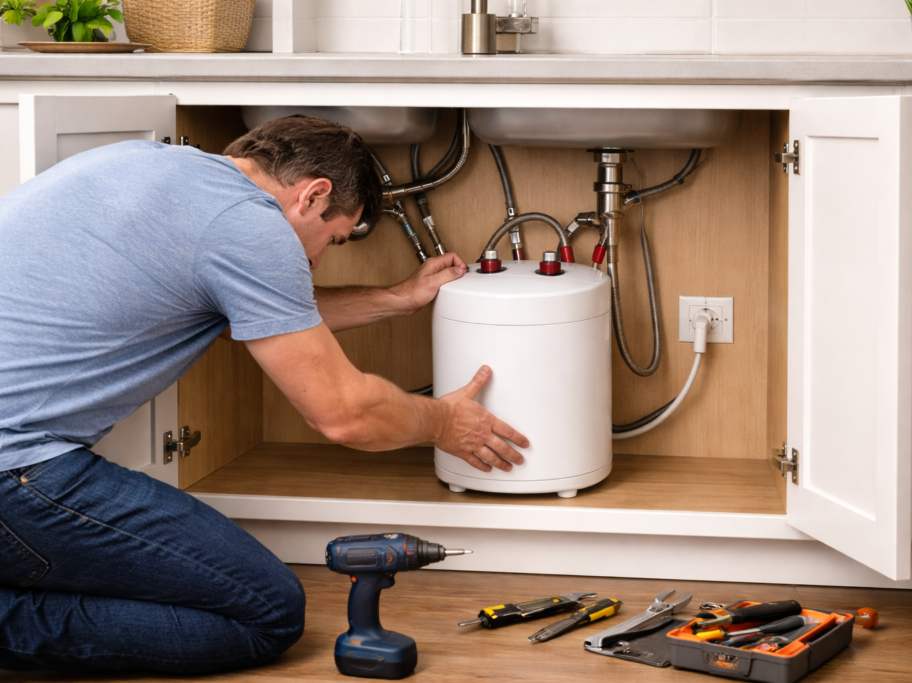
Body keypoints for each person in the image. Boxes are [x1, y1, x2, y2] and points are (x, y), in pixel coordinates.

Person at [0, 115, 528, 673]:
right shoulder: (249, 227)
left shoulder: (154, 164)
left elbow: (247, 313)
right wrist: (445, 422)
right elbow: (345, 416)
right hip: (14, 468)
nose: (318, 260)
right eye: (334, 238)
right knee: (266, 613)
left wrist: (395, 298)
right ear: (313, 195)